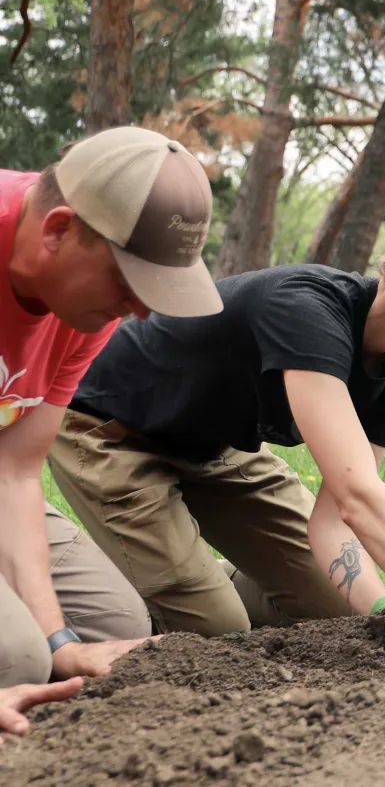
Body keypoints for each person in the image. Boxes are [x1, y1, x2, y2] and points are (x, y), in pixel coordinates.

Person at [48, 151, 385, 698]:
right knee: (217, 632)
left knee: (337, 608)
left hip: (218, 445)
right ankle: (110, 603)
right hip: (111, 431)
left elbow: (336, 520)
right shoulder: (306, 310)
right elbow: (359, 495)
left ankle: (214, 585)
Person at [0, 126, 219, 710]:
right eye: (128, 281)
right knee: (15, 658)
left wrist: (59, 638)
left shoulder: (84, 314)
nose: (142, 308)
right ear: (59, 229)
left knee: (110, 623)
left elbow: (16, 471)